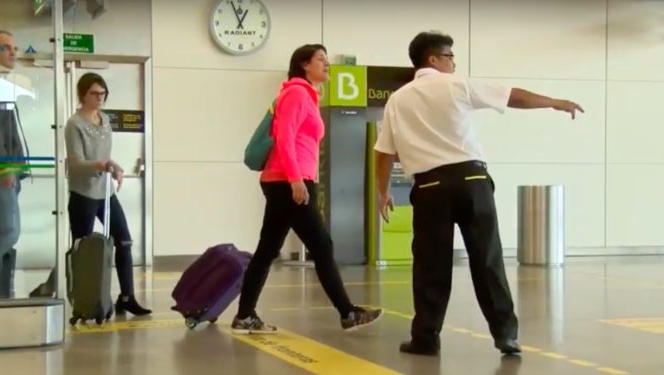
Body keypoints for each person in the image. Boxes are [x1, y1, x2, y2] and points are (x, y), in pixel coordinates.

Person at [373, 31, 583, 356]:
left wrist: (382, 191)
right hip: (471, 179)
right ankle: (506, 336)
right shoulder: (457, 84)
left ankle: (426, 338)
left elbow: (384, 150)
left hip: (428, 187)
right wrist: (554, 102)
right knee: (487, 261)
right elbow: (512, 96)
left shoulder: (398, 99)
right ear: (434, 59)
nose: (453, 62)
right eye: (450, 56)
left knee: (431, 266)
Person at [231, 44, 382, 334]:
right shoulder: (298, 93)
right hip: (290, 181)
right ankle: (347, 312)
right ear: (304, 64)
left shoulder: (304, 94)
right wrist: (296, 179)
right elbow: (285, 136)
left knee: (267, 250)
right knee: (321, 246)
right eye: (321, 60)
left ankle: (245, 316)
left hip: (283, 180)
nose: (327, 65)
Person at [31, 73, 151, 315]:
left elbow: (105, 156)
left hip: (105, 192)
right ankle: (58, 288)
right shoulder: (74, 124)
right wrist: (102, 166)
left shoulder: (105, 120)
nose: (100, 98)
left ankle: (127, 296)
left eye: (103, 94)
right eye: (95, 94)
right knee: (82, 248)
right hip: (83, 193)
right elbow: (75, 163)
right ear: (82, 95)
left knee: (124, 240)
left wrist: (115, 167)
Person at [0, 29, 22, 299]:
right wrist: (2, 167)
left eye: (14, 47)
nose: (13, 52)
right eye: (5, 47)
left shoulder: (0, 83)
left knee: (4, 235)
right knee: (6, 234)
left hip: (8, 172)